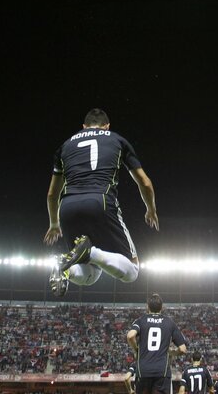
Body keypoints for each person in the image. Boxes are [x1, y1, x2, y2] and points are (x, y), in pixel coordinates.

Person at [44, 108, 159, 296]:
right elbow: (145, 182)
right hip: (100, 201)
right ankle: (90, 253)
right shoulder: (117, 140)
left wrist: (54, 224)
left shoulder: (64, 146)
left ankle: (64, 267)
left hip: (68, 208)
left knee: (91, 275)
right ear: (107, 126)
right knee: (132, 271)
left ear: (83, 127)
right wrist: (150, 209)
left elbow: (51, 194)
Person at [127, 293, 187, 394]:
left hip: (143, 371)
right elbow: (183, 349)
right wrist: (172, 353)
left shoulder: (141, 321)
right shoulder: (169, 323)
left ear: (147, 306)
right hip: (162, 371)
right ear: (162, 307)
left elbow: (130, 336)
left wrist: (136, 350)